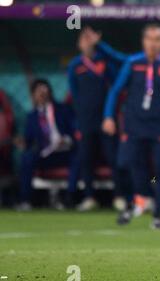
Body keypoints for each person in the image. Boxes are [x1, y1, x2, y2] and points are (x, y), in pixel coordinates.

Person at [102, 23, 160, 229]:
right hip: (134, 124)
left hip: (159, 126)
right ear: (143, 41)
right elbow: (115, 92)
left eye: (157, 39)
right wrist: (108, 117)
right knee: (126, 165)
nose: (153, 43)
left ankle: (158, 215)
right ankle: (132, 203)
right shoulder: (132, 63)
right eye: (149, 38)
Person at [68, 26, 127, 211]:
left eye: (89, 38)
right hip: (85, 120)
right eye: (83, 38)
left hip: (106, 120)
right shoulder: (75, 65)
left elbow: (119, 77)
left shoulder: (105, 62)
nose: (86, 41)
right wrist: (79, 119)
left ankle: (119, 196)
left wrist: (110, 115)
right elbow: (74, 94)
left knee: (113, 157)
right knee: (86, 159)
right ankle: (89, 197)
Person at [17, 79, 78, 210]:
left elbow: (74, 131)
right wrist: (22, 142)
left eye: (44, 90)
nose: (42, 94)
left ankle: (70, 198)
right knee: (27, 158)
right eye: (38, 91)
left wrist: (66, 139)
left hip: (64, 152)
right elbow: (28, 140)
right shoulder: (32, 116)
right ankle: (25, 200)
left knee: (78, 157)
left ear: (50, 92)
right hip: (45, 154)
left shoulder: (63, 110)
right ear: (33, 95)